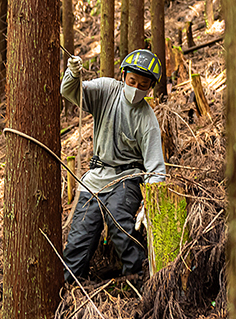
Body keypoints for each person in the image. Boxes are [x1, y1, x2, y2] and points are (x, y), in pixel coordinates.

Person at [60, 48, 166, 282]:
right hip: (95, 178)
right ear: (123, 75)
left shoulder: (147, 120)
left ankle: (138, 279)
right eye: (132, 81)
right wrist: (73, 72)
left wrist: (150, 206)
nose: (136, 88)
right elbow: (70, 92)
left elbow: (156, 167)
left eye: (143, 84)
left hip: (127, 178)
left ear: (150, 87)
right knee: (79, 238)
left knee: (119, 219)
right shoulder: (107, 90)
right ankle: (70, 288)